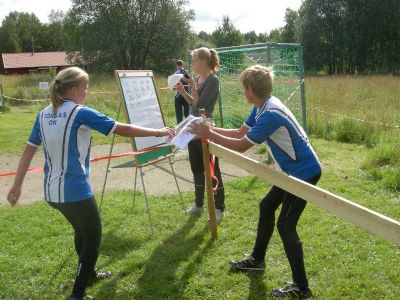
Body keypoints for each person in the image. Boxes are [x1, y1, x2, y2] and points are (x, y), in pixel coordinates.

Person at [7, 67, 175, 300]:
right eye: (85, 88)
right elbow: (122, 129)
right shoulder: (80, 112)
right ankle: (77, 295)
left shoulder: (43, 114)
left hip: (52, 193)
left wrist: (17, 185)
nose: (87, 92)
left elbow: (28, 150)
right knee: (93, 238)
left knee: (82, 232)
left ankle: (90, 274)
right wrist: (159, 132)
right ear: (74, 89)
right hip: (75, 190)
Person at [191, 65, 322, 298]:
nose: (243, 91)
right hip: (291, 171)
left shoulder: (269, 113)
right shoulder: (263, 105)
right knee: (266, 206)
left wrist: (208, 134)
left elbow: (243, 146)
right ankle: (257, 260)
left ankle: (302, 288)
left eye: (244, 87)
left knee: (286, 225)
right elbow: (241, 132)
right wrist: (211, 129)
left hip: (304, 172)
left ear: (250, 90)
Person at [176, 47, 225, 223]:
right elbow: (193, 103)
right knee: (196, 168)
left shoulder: (213, 80)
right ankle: (199, 204)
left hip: (206, 127)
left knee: (212, 170)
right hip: (192, 128)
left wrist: (194, 87)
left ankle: (219, 208)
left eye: (195, 60)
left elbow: (201, 104)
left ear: (204, 61)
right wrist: (183, 91)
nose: (193, 64)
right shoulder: (198, 78)